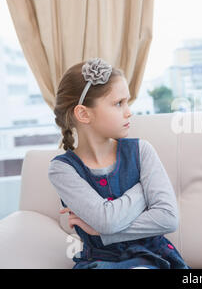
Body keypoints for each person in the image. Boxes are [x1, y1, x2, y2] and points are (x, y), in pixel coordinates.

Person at [48, 58, 189, 269]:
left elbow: (168, 218)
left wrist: (103, 232)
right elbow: (107, 221)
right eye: (118, 103)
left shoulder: (141, 150)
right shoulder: (62, 169)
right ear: (84, 113)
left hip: (152, 258)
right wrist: (142, 190)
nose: (129, 111)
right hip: (100, 263)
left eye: (127, 102)